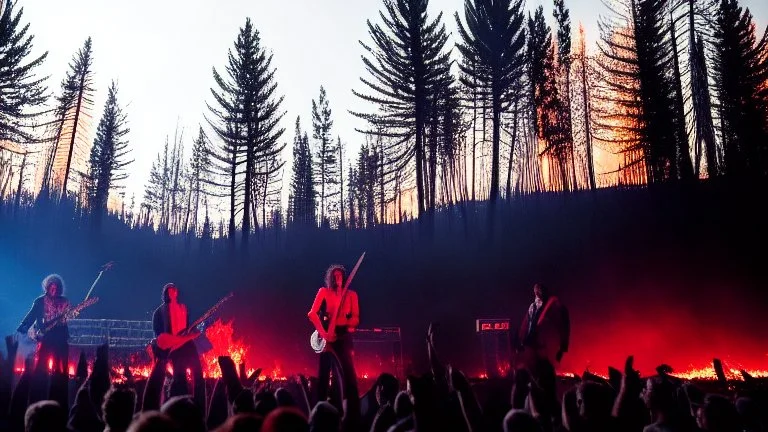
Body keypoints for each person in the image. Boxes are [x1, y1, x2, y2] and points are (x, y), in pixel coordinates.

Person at [307, 264, 360, 424]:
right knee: (324, 373)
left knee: (348, 373)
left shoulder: (351, 294)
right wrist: (324, 333)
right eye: (335, 276)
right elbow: (312, 314)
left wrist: (350, 323)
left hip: (343, 335)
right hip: (328, 335)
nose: (338, 278)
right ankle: (319, 412)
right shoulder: (324, 292)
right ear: (330, 277)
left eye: (340, 275)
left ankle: (350, 412)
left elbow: (356, 317)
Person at [152, 283, 206, 411]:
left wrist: (191, 334)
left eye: (173, 291)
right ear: (165, 294)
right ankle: (179, 402)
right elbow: (159, 334)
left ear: (176, 293)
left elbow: (186, 327)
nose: (171, 293)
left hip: (185, 343)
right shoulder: (159, 312)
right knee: (179, 373)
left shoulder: (183, 308)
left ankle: (199, 399)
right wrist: (166, 345)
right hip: (173, 346)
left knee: (197, 369)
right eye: (169, 292)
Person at [17, 274, 71, 373]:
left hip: (61, 336)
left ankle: (60, 382)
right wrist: (22, 328)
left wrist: (68, 316)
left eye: (57, 288)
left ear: (60, 289)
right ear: (47, 287)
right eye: (52, 288)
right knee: (42, 362)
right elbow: (31, 316)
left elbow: (68, 317)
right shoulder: (40, 301)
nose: (54, 291)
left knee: (61, 364)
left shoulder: (64, 301)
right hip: (46, 336)